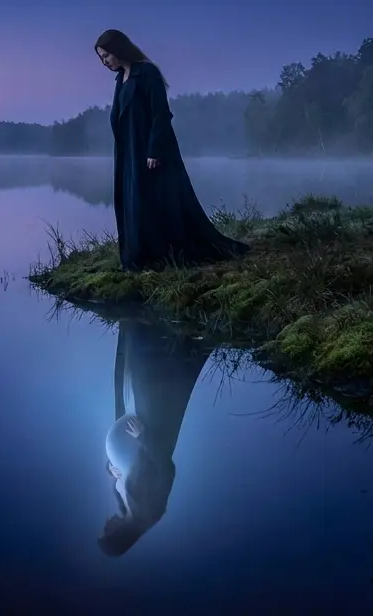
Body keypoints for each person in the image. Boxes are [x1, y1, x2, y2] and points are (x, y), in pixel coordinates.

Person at [94, 29, 250, 271]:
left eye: (106, 56)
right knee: (134, 202)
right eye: (101, 58)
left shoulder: (147, 72)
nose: (104, 62)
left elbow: (161, 114)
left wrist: (155, 150)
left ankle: (160, 255)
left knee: (156, 202)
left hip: (150, 152)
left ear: (118, 49)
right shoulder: (121, 79)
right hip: (128, 153)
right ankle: (137, 256)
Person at [97, 317, 211, 557]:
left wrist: (113, 468)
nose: (106, 523)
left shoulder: (127, 507)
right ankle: (170, 324)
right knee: (153, 371)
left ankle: (149, 320)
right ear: (118, 534)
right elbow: (165, 470)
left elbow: (130, 472)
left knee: (140, 367)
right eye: (106, 531)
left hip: (140, 420)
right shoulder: (150, 511)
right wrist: (143, 437)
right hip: (154, 428)